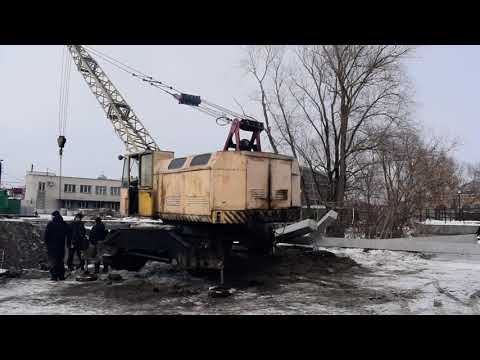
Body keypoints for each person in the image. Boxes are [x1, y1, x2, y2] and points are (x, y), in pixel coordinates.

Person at [44, 210, 69, 281]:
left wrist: (47, 244)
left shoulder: (50, 224)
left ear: (54, 216)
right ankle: (61, 276)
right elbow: (69, 232)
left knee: (53, 261)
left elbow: (46, 236)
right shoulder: (64, 224)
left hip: (52, 246)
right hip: (61, 246)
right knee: (60, 261)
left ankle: (54, 276)